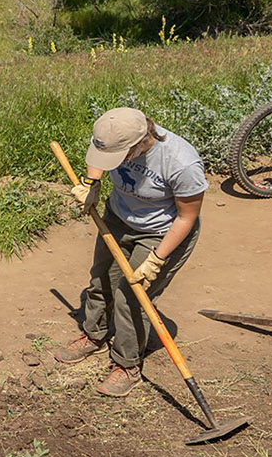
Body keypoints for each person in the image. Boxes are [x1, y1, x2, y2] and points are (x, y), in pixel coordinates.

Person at [61, 108, 206, 397]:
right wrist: (93, 185)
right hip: (118, 218)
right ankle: (94, 333)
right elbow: (98, 158)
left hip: (162, 232)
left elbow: (186, 218)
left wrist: (157, 259)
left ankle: (127, 365)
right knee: (101, 279)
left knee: (133, 297)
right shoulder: (113, 132)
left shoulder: (181, 163)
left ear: (140, 142)